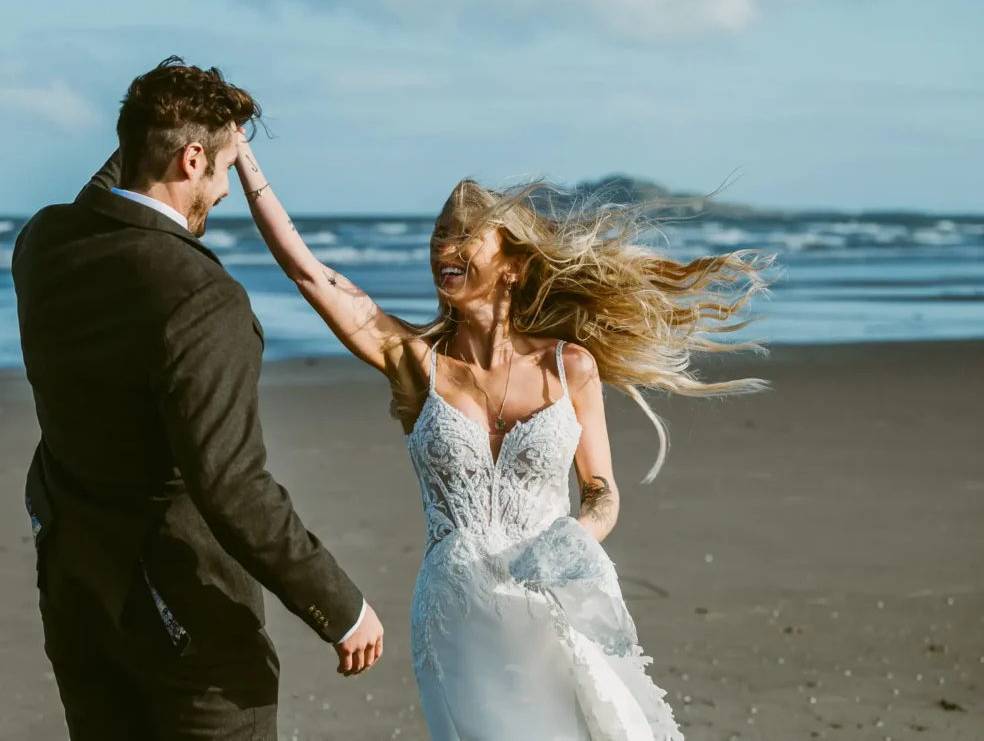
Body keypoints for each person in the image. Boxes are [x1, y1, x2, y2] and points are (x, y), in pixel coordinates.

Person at [232, 132, 772, 740]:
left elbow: (602, 490)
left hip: (552, 601)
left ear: (511, 264)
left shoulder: (571, 367)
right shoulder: (415, 361)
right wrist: (243, 159)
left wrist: (576, 537)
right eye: (439, 235)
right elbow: (313, 277)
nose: (445, 247)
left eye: (463, 235)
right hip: (456, 613)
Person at [11, 57, 383, 741]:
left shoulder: (45, 245)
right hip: (184, 615)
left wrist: (193, 129)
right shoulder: (201, 298)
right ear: (191, 159)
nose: (227, 191)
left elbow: (112, 187)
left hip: (75, 594)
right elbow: (232, 485)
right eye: (220, 170)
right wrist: (341, 606)